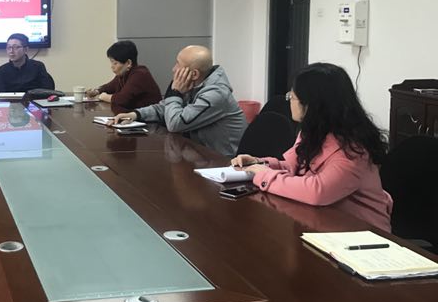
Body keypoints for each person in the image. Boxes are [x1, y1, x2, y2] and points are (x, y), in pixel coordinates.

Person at [231, 63, 392, 231]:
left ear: (311, 104)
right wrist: (260, 163)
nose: (289, 101)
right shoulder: (313, 130)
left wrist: (264, 175)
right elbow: (293, 167)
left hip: (364, 233)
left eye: (292, 97)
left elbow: (318, 191)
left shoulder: (353, 149)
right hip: (323, 221)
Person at [111, 45, 246, 156]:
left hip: (222, 161)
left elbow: (175, 124)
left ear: (194, 74)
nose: (173, 69)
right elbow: (165, 108)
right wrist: (135, 114)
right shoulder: (196, 83)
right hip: (198, 154)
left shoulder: (215, 94)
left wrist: (174, 92)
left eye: (178, 64)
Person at [85, 40, 161, 113]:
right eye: (111, 62)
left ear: (128, 63)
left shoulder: (140, 74)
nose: (112, 66)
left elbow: (122, 99)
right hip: (133, 116)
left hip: (149, 119)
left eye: (115, 63)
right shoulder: (124, 73)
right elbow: (110, 86)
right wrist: (96, 91)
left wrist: (104, 97)